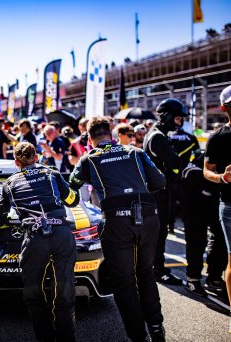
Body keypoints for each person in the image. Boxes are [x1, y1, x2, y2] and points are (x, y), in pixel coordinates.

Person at [70, 117, 167, 341]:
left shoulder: (89, 158)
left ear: (90, 138)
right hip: (148, 217)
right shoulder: (135, 152)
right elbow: (160, 182)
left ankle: (137, 336)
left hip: (116, 221)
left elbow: (71, 189)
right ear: (111, 134)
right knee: (145, 273)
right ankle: (156, 329)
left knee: (124, 282)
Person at [0, 142, 79, 342]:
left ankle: (46, 337)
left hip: (34, 237)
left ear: (16, 162)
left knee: (32, 292)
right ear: (37, 157)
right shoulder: (53, 174)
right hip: (61, 234)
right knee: (64, 291)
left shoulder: (10, 183)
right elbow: (72, 200)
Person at [143, 98, 186, 285]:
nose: (179, 123)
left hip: (157, 190)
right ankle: (158, 271)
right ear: (166, 116)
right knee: (159, 233)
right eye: (177, 119)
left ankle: (154, 268)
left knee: (157, 233)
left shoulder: (157, 134)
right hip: (158, 193)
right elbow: (174, 162)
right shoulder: (157, 137)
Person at [203, 84, 231, 333]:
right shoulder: (218, 137)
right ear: (224, 108)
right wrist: (222, 178)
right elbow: (206, 171)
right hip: (230, 204)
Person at [181, 155, 227, 297]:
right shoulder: (193, 170)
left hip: (215, 204)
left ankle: (214, 277)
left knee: (220, 239)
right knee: (197, 241)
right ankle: (192, 279)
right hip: (194, 207)